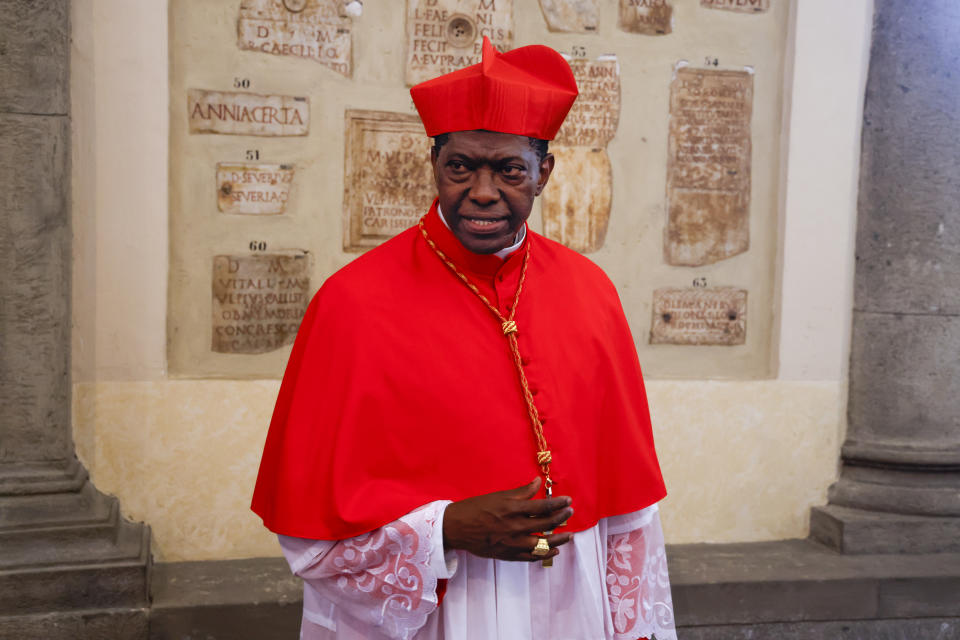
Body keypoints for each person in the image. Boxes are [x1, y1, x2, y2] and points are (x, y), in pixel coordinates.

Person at [251, 37, 676, 640]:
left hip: (567, 598)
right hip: (433, 604)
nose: (481, 191)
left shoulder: (591, 292)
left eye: (508, 169)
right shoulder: (351, 303)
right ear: (435, 165)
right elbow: (312, 540)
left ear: (543, 173)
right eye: (460, 167)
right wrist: (448, 527)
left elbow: (630, 510)